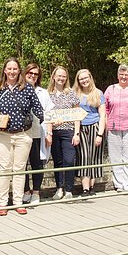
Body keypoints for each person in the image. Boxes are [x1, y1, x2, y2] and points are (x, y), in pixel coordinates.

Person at [0, 57, 45, 216]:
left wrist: (51, 121)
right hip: (3, 135)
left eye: (15, 69)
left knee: (19, 169)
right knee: (3, 169)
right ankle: (2, 203)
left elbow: (38, 110)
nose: (12, 72)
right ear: (4, 70)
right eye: (9, 69)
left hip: (23, 134)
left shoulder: (28, 89)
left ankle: (18, 202)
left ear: (19, 71)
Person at [46, 66, 80, 200]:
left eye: (64, 76)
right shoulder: (48, 94)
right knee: (58, 161)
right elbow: (47, 115)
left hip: (68, 131)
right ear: (54, 77)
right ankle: (59, 188)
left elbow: (77, 114)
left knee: (69, 160)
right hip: (53, 132)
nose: (61, 78)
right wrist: (50, 129)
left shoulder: (71, 93)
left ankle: (69, 189)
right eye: (59, 76)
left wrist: (76, 133)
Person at [73, 69, 106, 197]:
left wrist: (100, 134)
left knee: (95, 157)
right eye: (81, 79)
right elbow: (75, 114)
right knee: (84, 157)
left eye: (86, 78)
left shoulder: (98, 93)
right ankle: (85, 188)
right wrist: (76, 133)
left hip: (95, 126)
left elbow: (102, 114)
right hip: (81, 127)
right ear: (78, 81)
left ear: (90, 78)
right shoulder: (76, 94)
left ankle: (92, 187)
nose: (84, 81)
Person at [22, 63, 52, 205]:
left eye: (35, 74)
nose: (32, 76)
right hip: (22, 132)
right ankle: (26, 191)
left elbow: (49, 114)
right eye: (30, 73)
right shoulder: (19, 89)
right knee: (21, 164)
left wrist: (49, 133)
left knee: (37, 163)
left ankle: (36, 192)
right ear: (25, 73)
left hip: (38, 132)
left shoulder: (43, 93)